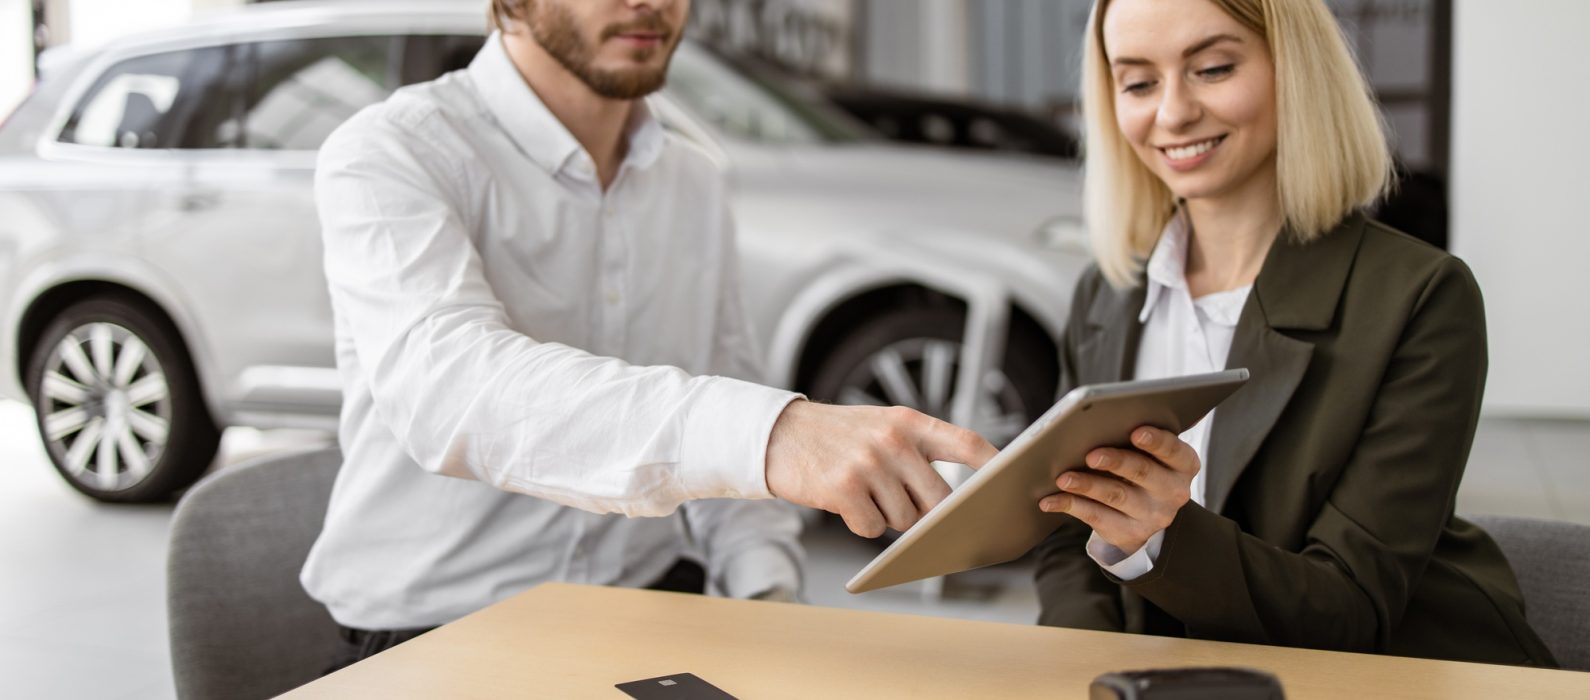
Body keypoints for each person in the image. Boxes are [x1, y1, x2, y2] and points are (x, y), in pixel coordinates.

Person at [302, 0, 996, 670]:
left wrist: (769, 595)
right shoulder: (390, 151)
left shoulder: (692, 179)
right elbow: (451, 389)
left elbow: (731, 390)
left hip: (652, 612)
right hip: (438, 631)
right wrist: (772, 436)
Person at [1030, 0, 1556, 667]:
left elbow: (1350, 609)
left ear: (1296, 71)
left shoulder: (1421, 297)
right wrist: (1096, 672)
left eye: (1213, 68)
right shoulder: (1107, 293)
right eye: (1137, 82)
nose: (1172, 113)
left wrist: (1163, 536)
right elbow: (1064, 537)